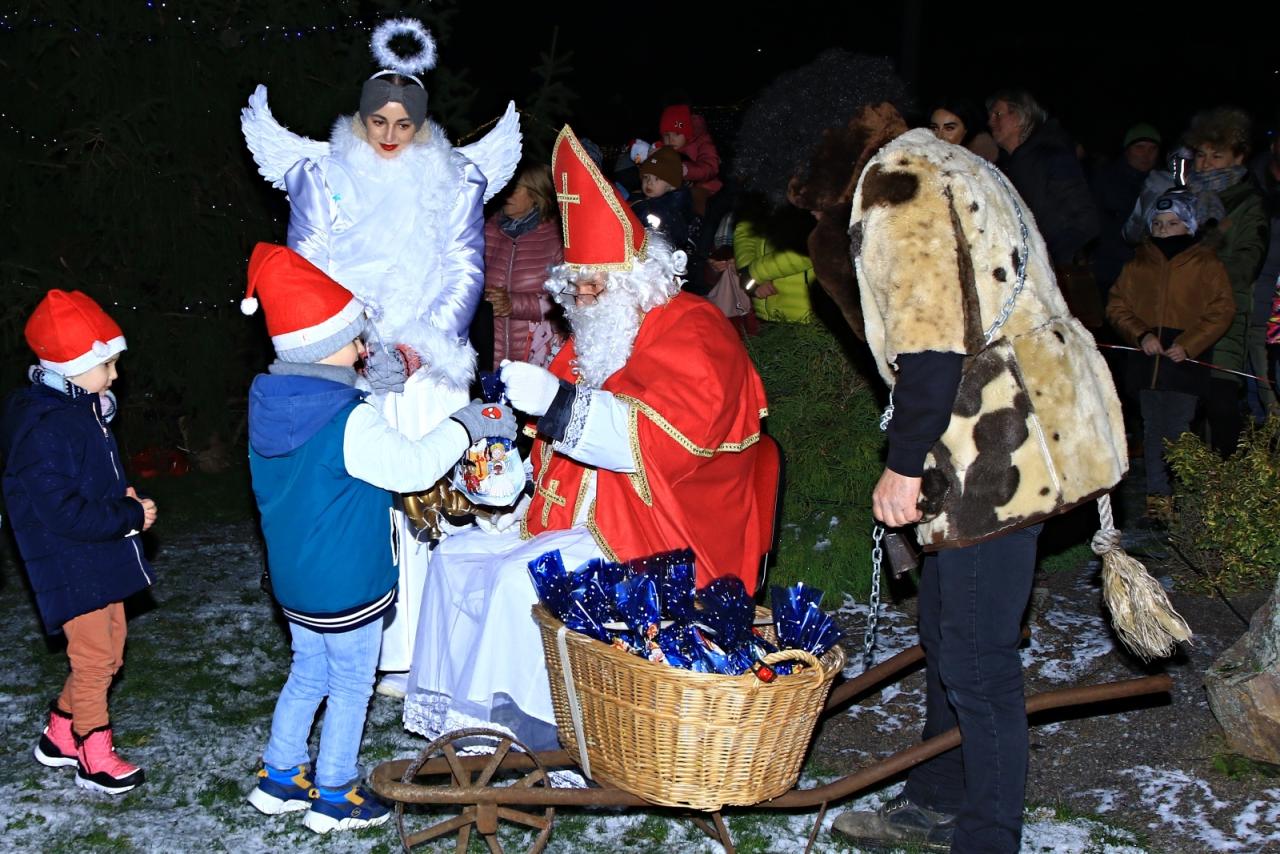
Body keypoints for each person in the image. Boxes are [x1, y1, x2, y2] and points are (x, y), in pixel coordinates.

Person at [812, 115, 1128, 852]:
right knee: (945, 633)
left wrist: (901, 464)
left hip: (998, 449)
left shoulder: (899, 184)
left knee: (978, 659)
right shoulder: (947, 161)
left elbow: (930, 345)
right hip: (1014, 430)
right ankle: (937, 799)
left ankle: (987, 836)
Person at [403, 125, 772, 749]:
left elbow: (652, 443)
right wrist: (509, 484)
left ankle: (539, 732)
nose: (583, 298)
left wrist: (556, 405)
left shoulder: (696, 331)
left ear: (640, 279)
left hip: (667, 536)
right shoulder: (595, 338)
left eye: (596, 284)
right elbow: (553, 448)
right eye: (573, 285)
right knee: (456, 557)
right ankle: (457, 714)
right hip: (589, 518)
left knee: (521, 580)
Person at [241, 19, 521, 695]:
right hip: (353, 362)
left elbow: (465, 268)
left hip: (427, 366)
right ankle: (383, 649)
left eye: (404, 123)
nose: (390, 134)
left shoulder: (455, 178)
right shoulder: (324, 176)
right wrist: (357, 347)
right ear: (361, 118)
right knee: (371, 502)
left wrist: (418, 347)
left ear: (421, 124)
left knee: (440, 497)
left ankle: (439, 649)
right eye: (378, 121)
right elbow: (309, 267)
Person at [239, 243, 516, 833]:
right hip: (348, 580)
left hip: (296, 580)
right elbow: (411, 468)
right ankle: (336, 792)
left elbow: (331, 437)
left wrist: (369, 386)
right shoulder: (347, 420)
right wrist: (465, 425)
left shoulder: (272, 404)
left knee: (307, 671)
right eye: (354, 339)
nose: (364, 348)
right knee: (350, 683)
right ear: (325, 347)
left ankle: (280, 775)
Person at [1, 289, 157, 795]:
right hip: (70, 563)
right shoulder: (45, 427)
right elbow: (62, 511)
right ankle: (93, 753)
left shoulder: (83, 410)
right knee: (93, 661)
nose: (115, 375)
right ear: (72, 367)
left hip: (97, 554)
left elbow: (87, 480)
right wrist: (127, 515)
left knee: (109, 656)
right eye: (106, 365)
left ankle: (59, 734)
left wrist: (121, 496)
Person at [1106, 191, 1235, 520]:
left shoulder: (1206, 264)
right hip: (1148, 360)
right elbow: (1117, 305)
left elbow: (1221, 310)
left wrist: (1190, 344)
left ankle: (1185, 493)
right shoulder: (1137, 264)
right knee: (1152, 428)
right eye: (1158, 224)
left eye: (1172, 223)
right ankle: (1159, 502)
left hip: (1183, 361)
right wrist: (1141, 334)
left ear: (1189, 225)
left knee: (1178, 426)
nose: (1163, 229)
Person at [1185, 107, 1269, 453]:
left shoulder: (1249, 203)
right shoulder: (1183, 195)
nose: (1205, 164)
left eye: (1216, 156)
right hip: (1180, 311)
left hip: (1224, 314)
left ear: (1239, 157)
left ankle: (1227, 472)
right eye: (1200, 155)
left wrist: (1202, 262)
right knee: (1185, 406)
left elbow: (1247, 263)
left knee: (1221, 401)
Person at [484, 162, 565, 371]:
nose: (506, 194)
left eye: (515, 188)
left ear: (536, 194)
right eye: (504, 186)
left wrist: (514, 304)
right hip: (490, 354)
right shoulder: (485, 230)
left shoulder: (557, 237)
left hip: (536, 358)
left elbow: (568, 300)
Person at [1092, 123, 1162, 295]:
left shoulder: (1162, 183)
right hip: (1109, 272)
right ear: (1127, 150)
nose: (1146, 154)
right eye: (1140, 147)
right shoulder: (1105, 179)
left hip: (1148, 273)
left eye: (1152, 149)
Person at [659, 103, 722, 215]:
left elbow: (710, 167)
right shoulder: (663, 149)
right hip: (675, 189)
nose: (671, 140)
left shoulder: (702, 142)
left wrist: (687, 170)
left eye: (677, 134)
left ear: (687, 133)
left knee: (695, 195)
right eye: (667, 135)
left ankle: (698, 223)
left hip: (706, 188)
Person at [631, 146, 693, 251]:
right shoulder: (639, 200)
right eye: (646, 177)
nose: (649, 182)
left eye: (657, 179)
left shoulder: (671, 211)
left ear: (671, 185)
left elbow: (675, 238)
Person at [926, 97, 998, 162]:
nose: (939, 137)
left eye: (949, 128)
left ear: (966, 130)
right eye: (934, 128)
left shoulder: (977, 164)